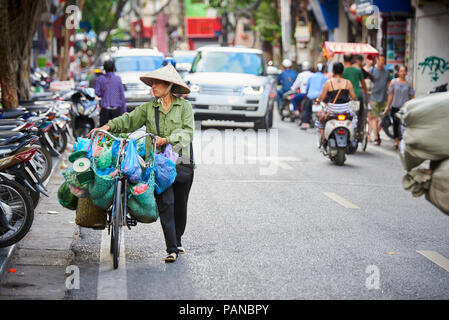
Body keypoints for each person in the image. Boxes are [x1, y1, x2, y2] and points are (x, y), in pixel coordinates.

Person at [88, 64, 195, 263]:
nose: (152, 86)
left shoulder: (185, 107)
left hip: (182, 159)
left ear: (169, 85)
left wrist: (167, 139)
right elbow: (128, 120)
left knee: (180, 205)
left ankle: (177, 239)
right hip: (158, 163)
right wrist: (107, 126)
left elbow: (188, 132)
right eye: (152, 83)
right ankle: (171, 247)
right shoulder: (148, 108)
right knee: (166, 202)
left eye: (156, 83)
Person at [315, 62, 358, 143]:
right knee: (355, 118)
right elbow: (354, 97)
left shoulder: (329, 83)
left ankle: (324, 139)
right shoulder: (347, 82)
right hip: (346, 109)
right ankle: (353, 137)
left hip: (332, 109)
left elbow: (322, 97)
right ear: (343, 71)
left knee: (319, 119)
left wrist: (317, 100)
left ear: (333, 71)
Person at [384, 65, 415, 150]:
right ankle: (396, 141)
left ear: (406, 73)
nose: (402, 73)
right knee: (395, 124)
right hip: (395, 107)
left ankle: (404, 141)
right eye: (401, 71)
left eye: (404, 71)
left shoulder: (409, 83)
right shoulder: (393, 82)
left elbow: (412, 96)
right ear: (398, 72)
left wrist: (414, 106)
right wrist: (387, 106)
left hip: (405, 108)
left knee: (405, 125)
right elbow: (391, 95)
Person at [95, 60, 127, 126]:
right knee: (116, 131)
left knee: (103, 130)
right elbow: (122, 96)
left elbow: (97, 92)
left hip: (105, 110)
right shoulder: (118, 79)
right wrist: (124, 110)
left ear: (104, 69)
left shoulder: (100, 79)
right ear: (113, 68)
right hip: (116, 110)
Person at [342, 54, 367, 137]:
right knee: (357, 114)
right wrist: (366, 91)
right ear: (352, 59)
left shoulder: (341, 71)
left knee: (346, 114)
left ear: (344, 60)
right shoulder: (358, 70)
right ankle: (357, 131)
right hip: (355, 96)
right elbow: (363, 84)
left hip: (344, 96)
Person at [368, 55, 390, 146]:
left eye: (383, 59)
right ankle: (376, 138)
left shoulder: (386, 72)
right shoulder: (371, 71)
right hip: (373, 98)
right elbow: (367, 83)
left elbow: (388, 84)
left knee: (385, 119)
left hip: (384, 97)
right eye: (380, 59)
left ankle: (374, 133)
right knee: (374, 118)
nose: (382, 61)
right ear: (376, 60)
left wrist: (390, 96)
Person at [299, 63, 328, 130]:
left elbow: (307, 88)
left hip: (311, 97)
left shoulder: (311, 77)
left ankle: (304, 123)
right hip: (321, 98)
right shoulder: (325, 78)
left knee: (306, 109)